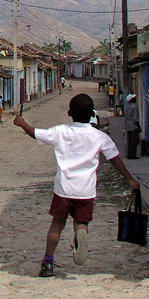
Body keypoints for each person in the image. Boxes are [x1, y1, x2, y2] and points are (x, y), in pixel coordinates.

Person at [13, 93, 140, 277]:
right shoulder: (99, 136)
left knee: (57, 224)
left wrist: (22, 123)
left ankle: (48, 263)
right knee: (81, 222)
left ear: (69, 113)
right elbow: (114, 158)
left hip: (64, 188)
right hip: (86, 190)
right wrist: (130, 179)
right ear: (92, 115)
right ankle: (81, 234)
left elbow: (36, 134)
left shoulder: (60, 131)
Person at [123, 93, 140, 159]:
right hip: (133, 125)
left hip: (127, 124)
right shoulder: (134, 106)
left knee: (129, 140)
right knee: (134, 141)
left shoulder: (126, 106)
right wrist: (138, 125)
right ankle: (133, 154)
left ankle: (129, 154)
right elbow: (135, 118)